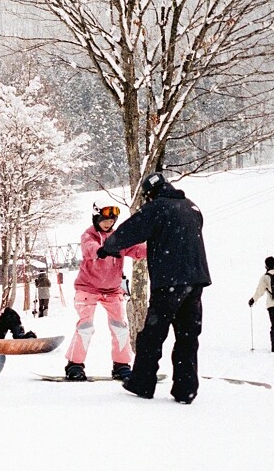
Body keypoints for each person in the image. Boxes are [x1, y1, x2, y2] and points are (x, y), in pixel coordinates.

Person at [100, 171, 211, 404]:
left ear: (150, 193)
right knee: (188, 336)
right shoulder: (192, 207)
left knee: (152, 334)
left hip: (169, 282)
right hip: (196, 281)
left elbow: (129, 231)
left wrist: (108, 247)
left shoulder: (158, 207)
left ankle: (142, 383)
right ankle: (186, 389)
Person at [65, 204, 147, 381]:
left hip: (112, 290)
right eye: (104, 220)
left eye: (111, 220)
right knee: (85, 327)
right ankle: (74, 365)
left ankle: (121, 365)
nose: (108, 223)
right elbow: (90, 249)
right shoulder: (89, 235)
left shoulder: (119, 238)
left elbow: (136, 249)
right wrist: (102, 250)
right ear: (96, 218)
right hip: (88, 289)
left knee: (120, 328)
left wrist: (154, 247)